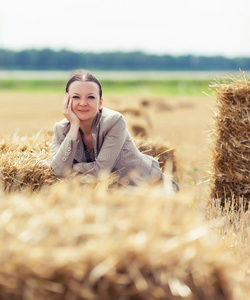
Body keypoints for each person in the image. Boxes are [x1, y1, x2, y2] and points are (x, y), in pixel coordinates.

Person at [49, 70, 179, 191]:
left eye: (91, 97)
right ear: (66, 100)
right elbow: (58, 170)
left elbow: (101, 171)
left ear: (100, 103)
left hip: (147, 185)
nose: (83, 103)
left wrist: (69, 168)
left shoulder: (114, 121)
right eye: (76, 97)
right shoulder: (61, 129)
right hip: (111, 192)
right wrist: (74, 126)